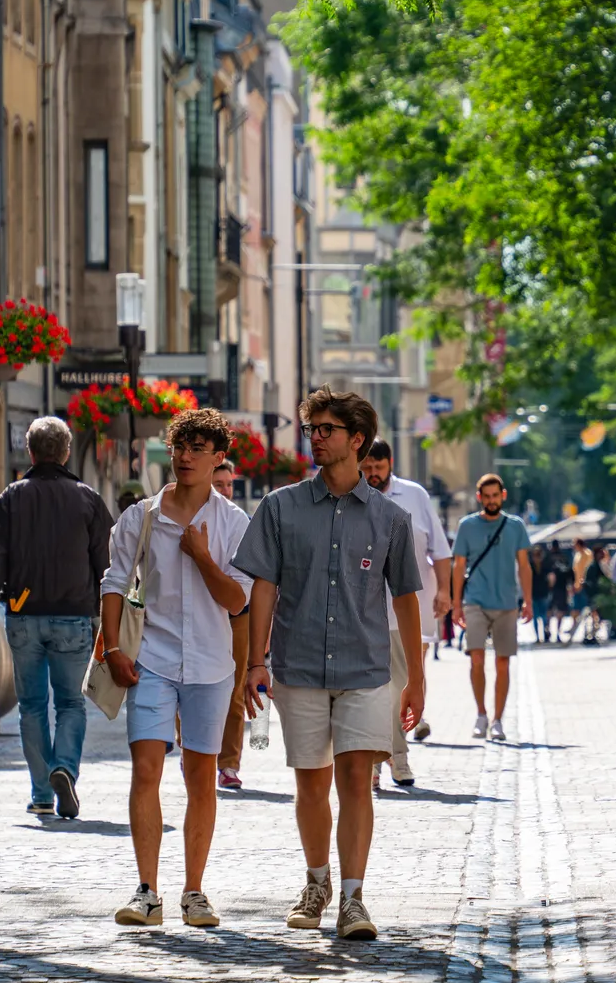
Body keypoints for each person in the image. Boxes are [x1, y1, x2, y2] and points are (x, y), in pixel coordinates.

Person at [234, 387, 425, 941]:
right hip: (297, 667)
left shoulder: (390, 518)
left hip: (366, 671)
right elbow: (263, 588)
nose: (315, 437)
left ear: (356, 439)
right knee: (311, 785)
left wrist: (415, 678)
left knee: (357, 785)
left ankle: (354, 898)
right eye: (311, 428)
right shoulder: (279, 507)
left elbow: (407, 600)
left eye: (326, 429)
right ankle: (316, 884)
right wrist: (255, 662)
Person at [100, 409, 253, 928]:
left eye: (198, 449)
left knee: (200, 778)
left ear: (218, 459)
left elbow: (238, 601)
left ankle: (194, 891)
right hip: (153, 661)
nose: (186, 457)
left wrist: (203, 557)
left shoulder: (233, 524)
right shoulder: (141, 516)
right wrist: (113, 651)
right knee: (146, 768)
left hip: (212, 666)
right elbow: (114, 582)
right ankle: (146, 891)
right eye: (180, 447)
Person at [0, 417, 113, 818]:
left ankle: (40, 793)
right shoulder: (87, 498)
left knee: (32, 706)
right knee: (71, 703)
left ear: (31, 452)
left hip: (24, 615)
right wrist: (108, 616)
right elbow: (105, 564)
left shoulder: (12, 497)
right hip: (74, 617)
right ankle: (64, 768)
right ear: (66, 451)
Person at [360, 437, 451, 787]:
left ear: (390, 463)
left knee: (398, 684)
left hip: (404, 610)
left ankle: (393, 758)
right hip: (363, 610)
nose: (372, 474)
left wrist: (444, 591)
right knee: (370, 689)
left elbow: (439, 550)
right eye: (366, 468)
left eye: (377, 468)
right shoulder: (352, 497)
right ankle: (379, 759)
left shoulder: (415, 496)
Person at [451, 473, 533, 741]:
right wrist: (456, 604)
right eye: (486, 497)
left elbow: (523, 565)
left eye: (495, 496)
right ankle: (481, 714)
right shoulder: (467, 526)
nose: (491, 501)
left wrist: (528, 601)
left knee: (502, 663)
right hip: (474, 601)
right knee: (476, 658)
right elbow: (459, 566)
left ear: (503, 495)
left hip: (506, 603)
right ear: (479, 498)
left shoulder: (515, 526)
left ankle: (498, 720)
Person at [210, 458, 255, 791]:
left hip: (239, 617)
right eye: (219, 485)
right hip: (200, 617)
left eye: (229, 485)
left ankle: (228, 764)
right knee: (193, 684)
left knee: (235, 692)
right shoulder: (186, 518)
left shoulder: (241, 522)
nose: (226, 491)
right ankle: (193, 750)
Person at [570, 539, 596, 642]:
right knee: (576, 608)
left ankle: (591, 628)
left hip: (584, 586)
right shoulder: (577, 555)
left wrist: (582, 583)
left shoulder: (587, 554)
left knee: (589, 609)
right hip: (577, 586)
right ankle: (573, 627)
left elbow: (586, 570)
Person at [529, 546, 553, 643]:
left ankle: (539, 637)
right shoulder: (545, 566)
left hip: (536, 593)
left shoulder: (530, 566)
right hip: (542, 593)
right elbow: (551, 579)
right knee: (542, 616)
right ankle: (542, 635)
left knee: (538, 616)